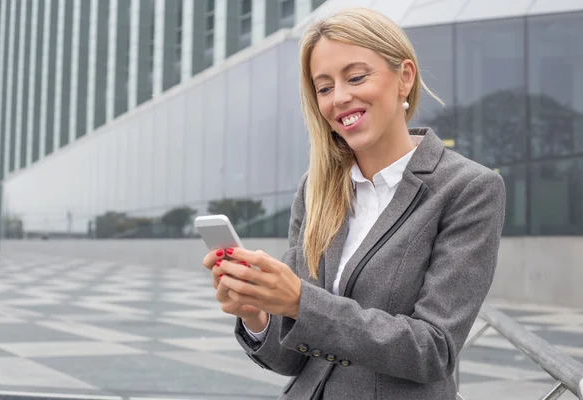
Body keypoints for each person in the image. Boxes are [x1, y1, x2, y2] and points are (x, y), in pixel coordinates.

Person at [202, 7, 506, 400]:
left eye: (356, 77)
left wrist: (299, 300)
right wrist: (256, 312)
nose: (340, 98)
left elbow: (433, 350)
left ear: (405, 78)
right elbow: (293, 360)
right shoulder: (316, 189)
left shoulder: (469, 189)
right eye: (324, 88)